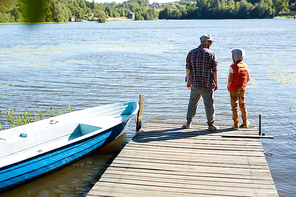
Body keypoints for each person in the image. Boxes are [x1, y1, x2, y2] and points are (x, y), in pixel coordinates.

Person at [183, 34, 218, 131]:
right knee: (209, 104)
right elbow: (215, 70)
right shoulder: (211, 54)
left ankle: (188, 123)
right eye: (210, 42)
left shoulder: (191, 52)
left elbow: (188, 67)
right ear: (206, 42)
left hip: (195, 83)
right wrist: (216, 82)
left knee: (192, 103)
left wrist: (188, 80)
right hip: (207, 84)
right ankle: (211, 125)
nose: (211, 44)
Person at [227, 48, 250, 130]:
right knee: (242, 105)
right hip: (242, 88)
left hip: (233, 89)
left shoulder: (232, 67)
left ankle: (236, 124)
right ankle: (245, 122)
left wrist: (228, 86)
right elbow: (248, 79)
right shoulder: (246, 66)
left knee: (234, 106)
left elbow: (230, 80)